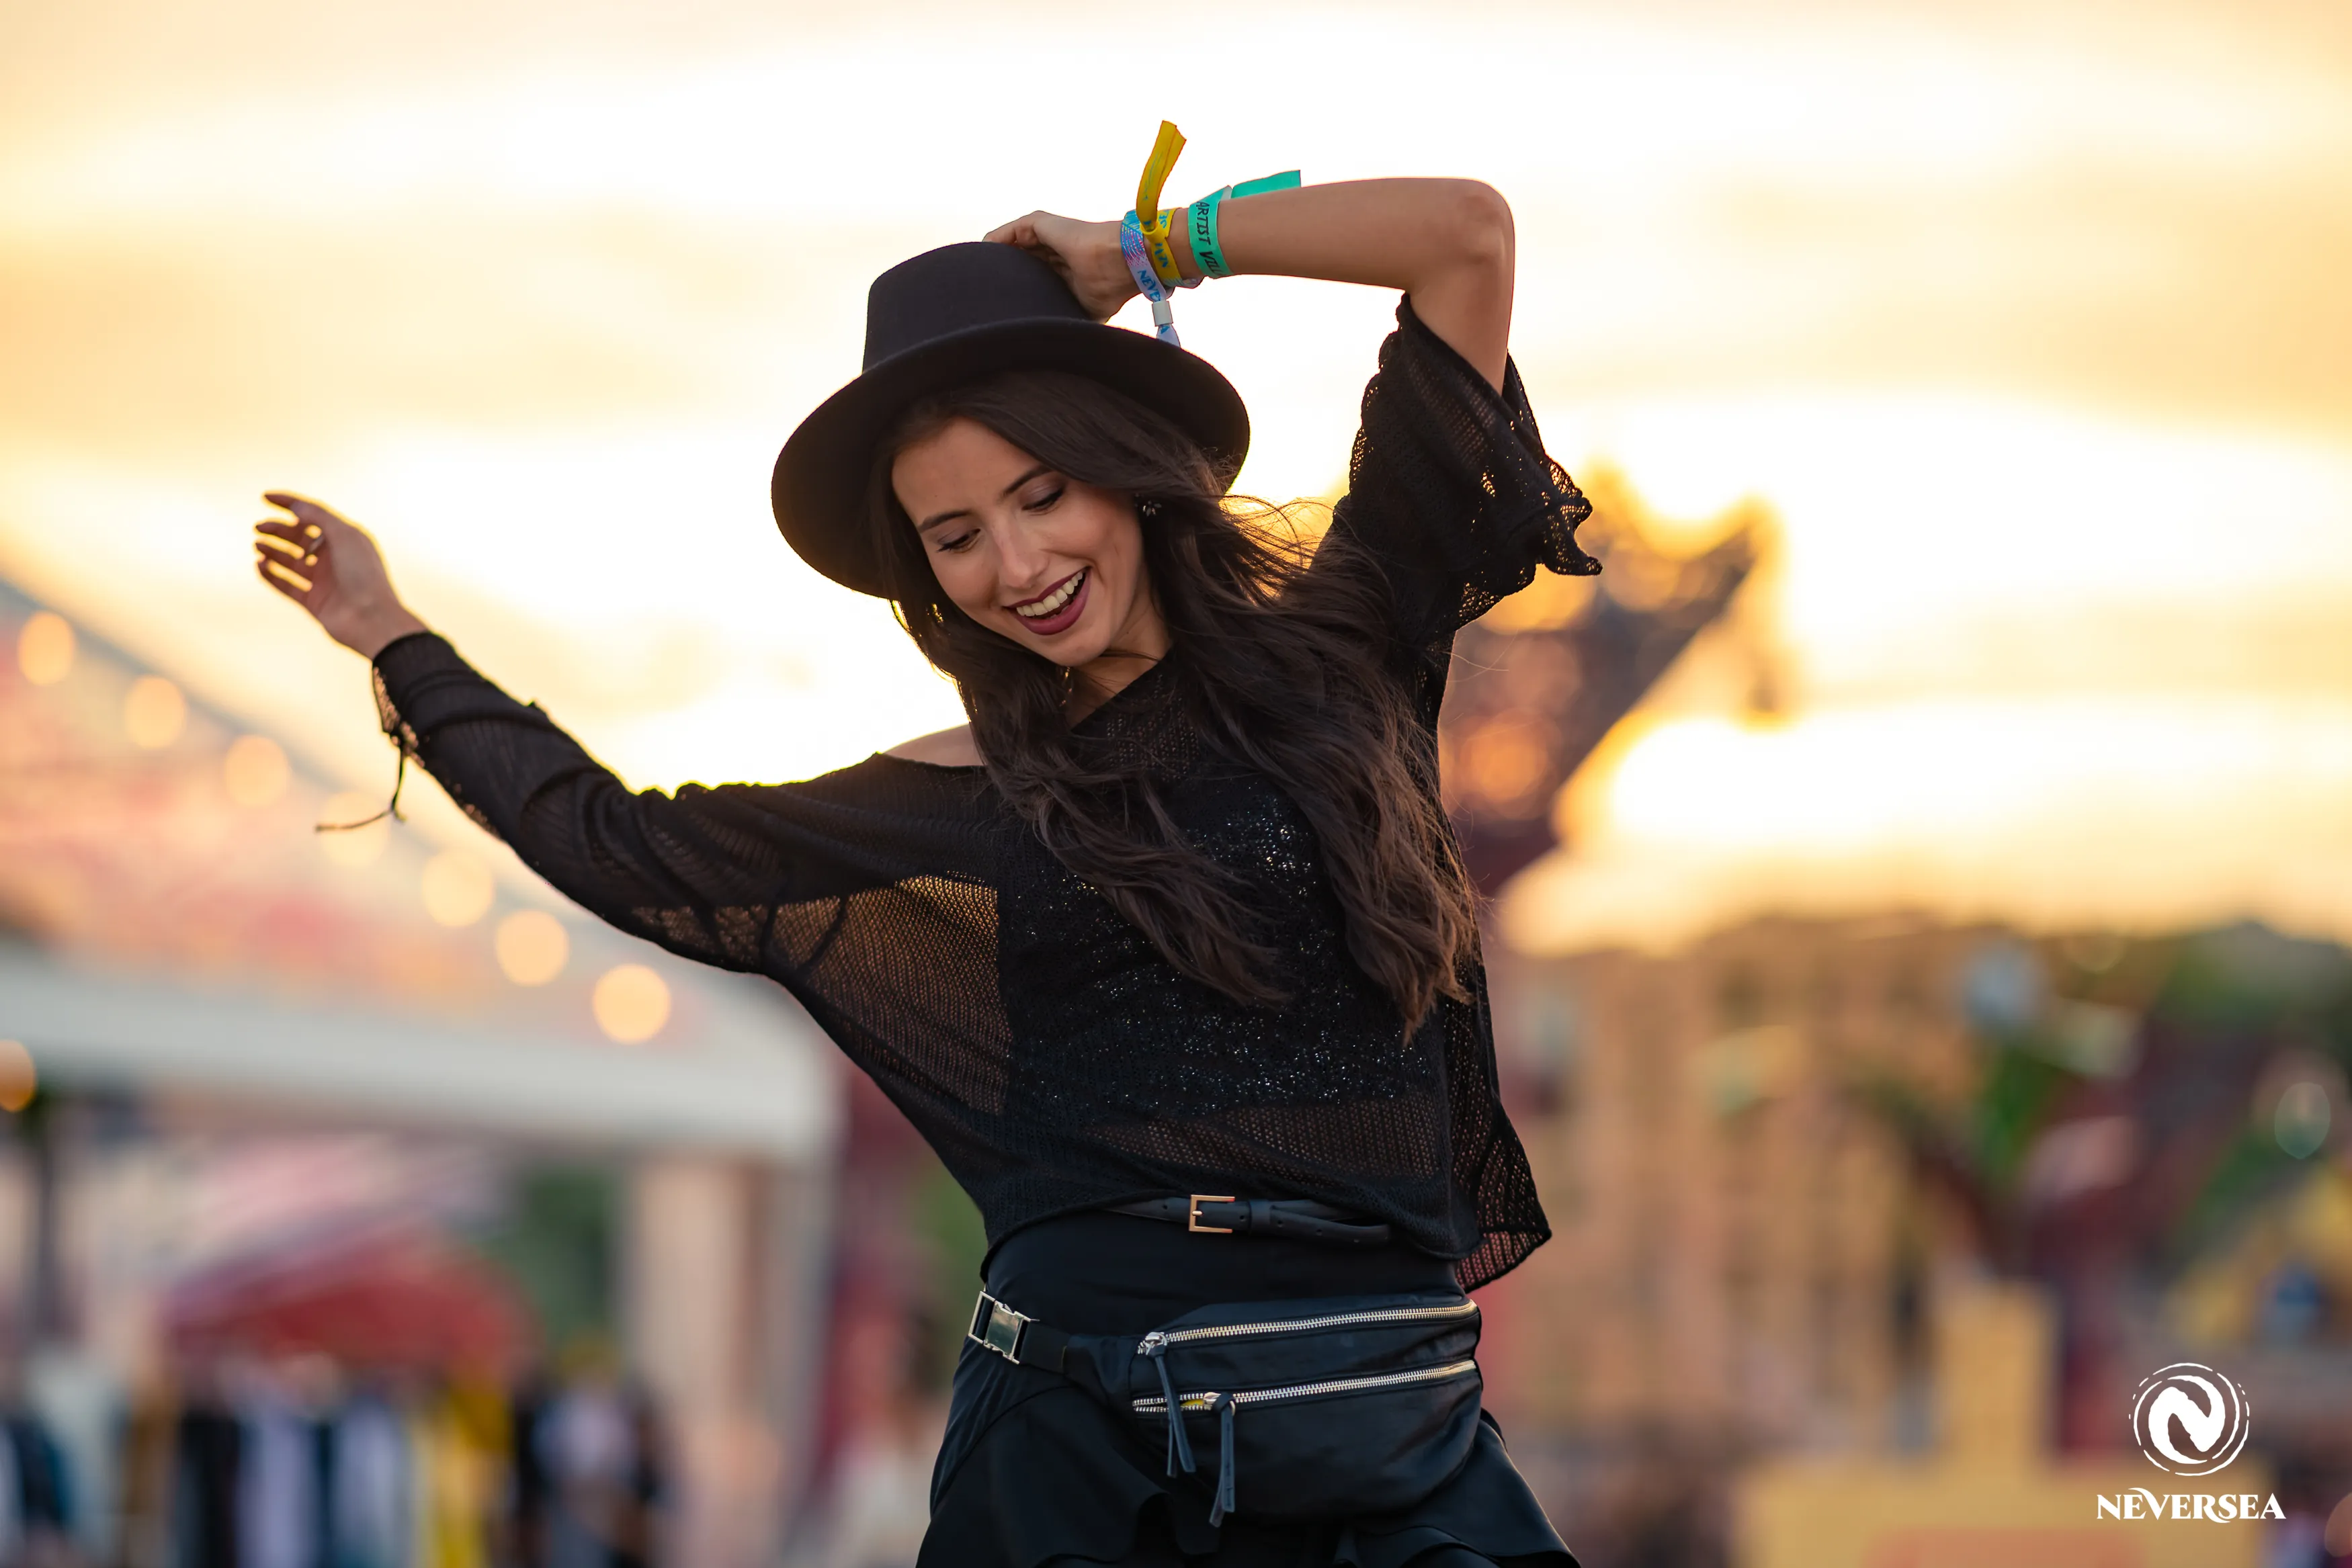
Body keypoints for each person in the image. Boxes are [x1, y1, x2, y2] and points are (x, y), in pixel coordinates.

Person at [255, 173, 1596, 1567]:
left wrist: (1145, 249)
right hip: (1087, 1444)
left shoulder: (1349, 649)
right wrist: (392, 632)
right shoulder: (957, 801)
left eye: (1042, 494)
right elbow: (616, 839)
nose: (1017, 565)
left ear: (1127, 469)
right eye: (956, 538)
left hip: (1387, 1418)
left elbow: (1465, 240)